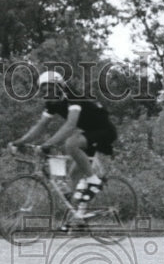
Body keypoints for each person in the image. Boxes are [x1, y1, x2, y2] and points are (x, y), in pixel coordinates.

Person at [8, 70, 118, 210]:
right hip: (90, 133)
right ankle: (77, 219)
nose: (47, 93)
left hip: (105, 131)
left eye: (50, 88)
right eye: (44, 90)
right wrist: (19, 142)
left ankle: (94, 181)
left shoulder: (72, 95)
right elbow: (40, 126)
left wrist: (47, 144)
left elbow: (70, 125)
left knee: (71, 143)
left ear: (59, 86)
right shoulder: (52, 102)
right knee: (73, 177)